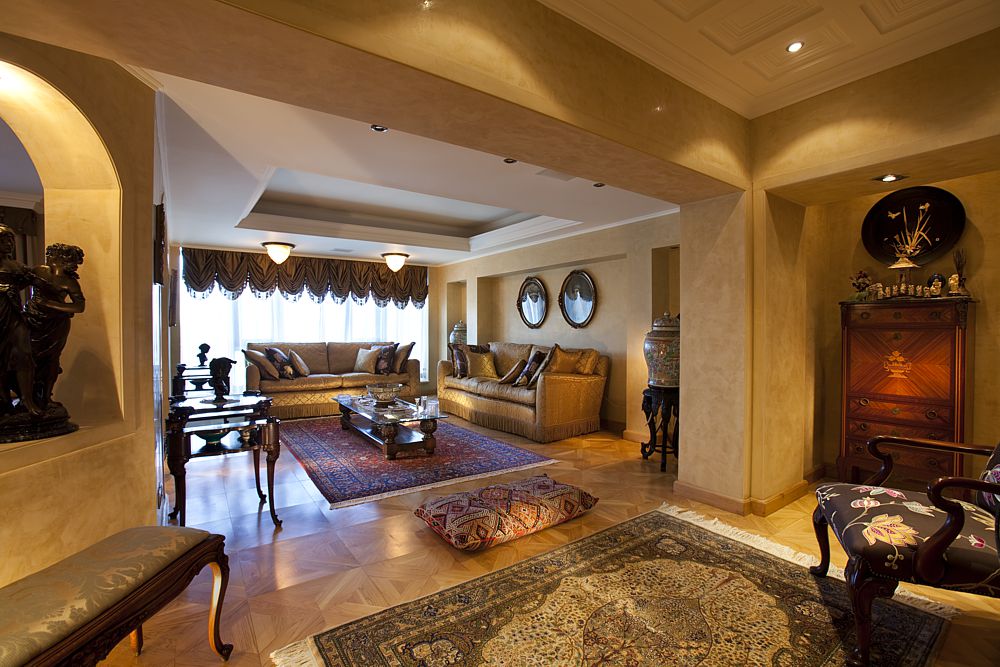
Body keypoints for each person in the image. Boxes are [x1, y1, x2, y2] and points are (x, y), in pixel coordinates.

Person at [25, 243, 86, 408]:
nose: (48, 258)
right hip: (33, 320)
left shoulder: (70, 282)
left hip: (56, 325)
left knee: (52, 359)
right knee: (29, 357)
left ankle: (46, 396)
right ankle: (29, 396)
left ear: (60, 260)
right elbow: (19, 283)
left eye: (51, 255)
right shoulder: (39, 271)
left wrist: (50, 304)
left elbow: (79, 306)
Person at [0, 224, 43, 415]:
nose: (9, 244)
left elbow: (38, 281)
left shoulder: (17, 267)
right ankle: (4, 401)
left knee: (24, 354)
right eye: (3, 240)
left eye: (10, 240)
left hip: (14, 316)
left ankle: (27, 399)